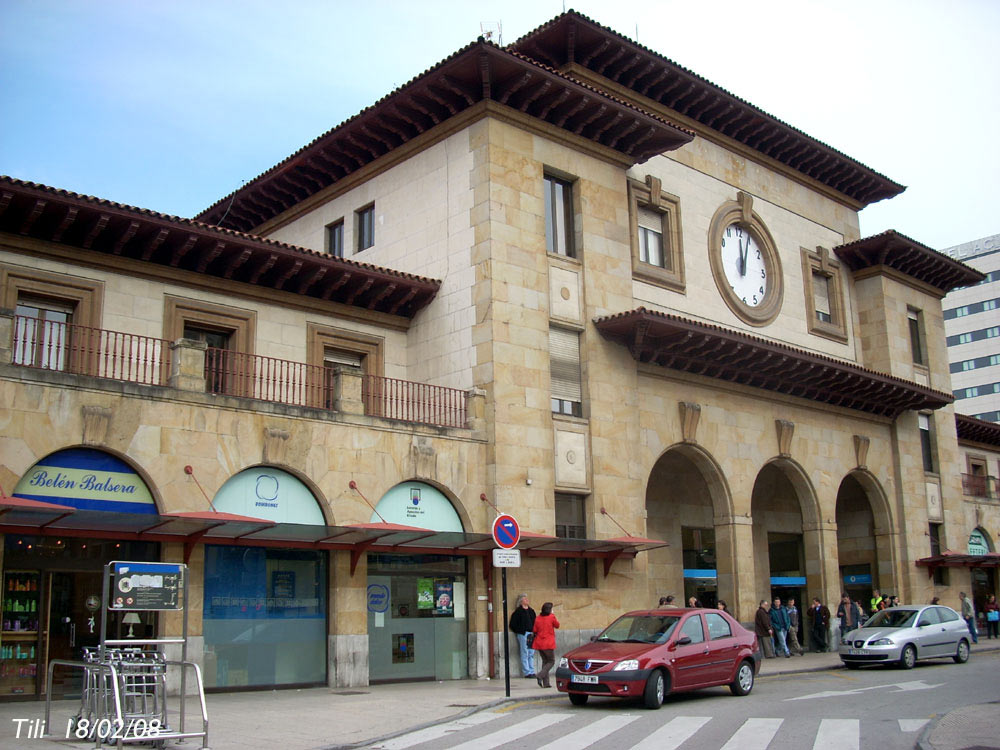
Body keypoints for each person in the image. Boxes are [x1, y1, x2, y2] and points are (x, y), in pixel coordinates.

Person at [531, 601, 560, 688]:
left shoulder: (538, 618)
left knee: (545, 661)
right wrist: (553, 616)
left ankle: (546, 683)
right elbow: (557, 625)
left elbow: (535, 629)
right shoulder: (551, 617)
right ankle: (540, 675)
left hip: (539, 642)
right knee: (551, 661)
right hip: (548, 643)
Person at [508, 593, 536, 678]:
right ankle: (527, 672)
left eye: (527, 599)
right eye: (524, 599)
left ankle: (532, 671)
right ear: (521, 602)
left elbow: (535, 621)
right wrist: (519, 631)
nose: (527, 600)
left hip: (531, 633)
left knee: (531, 652)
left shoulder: (531, 611)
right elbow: (513, 624)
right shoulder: (518, 612)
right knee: (525, 652)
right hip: (523, 634)